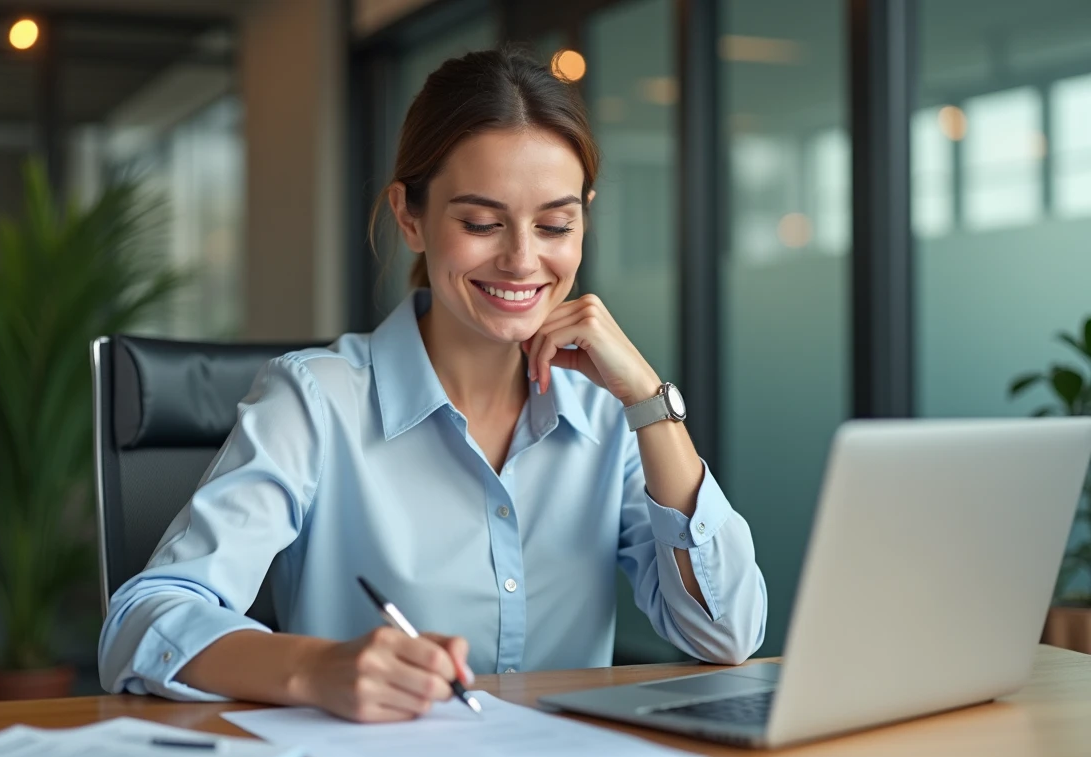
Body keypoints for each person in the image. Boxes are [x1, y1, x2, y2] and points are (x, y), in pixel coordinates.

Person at [99, 47, 766, 722]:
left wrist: (651, 406)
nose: (523, 259)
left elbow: (727, 634)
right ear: (410, 216)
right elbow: (145, 621)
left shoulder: (607, 415)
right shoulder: (315, 402)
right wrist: (313, 668)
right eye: (480, 223)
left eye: (556, 224)